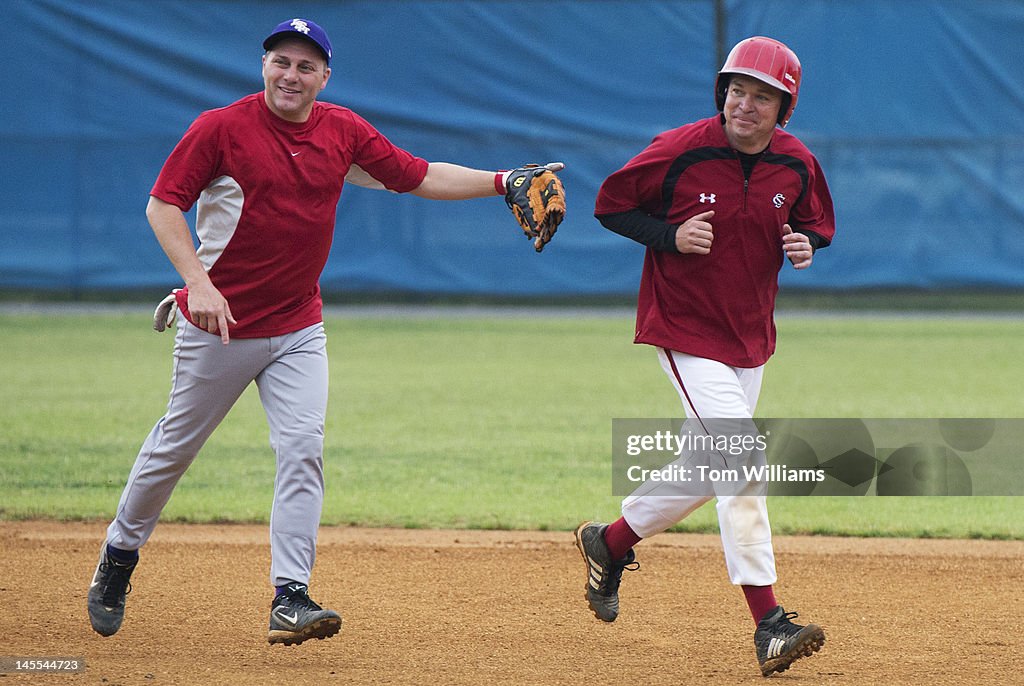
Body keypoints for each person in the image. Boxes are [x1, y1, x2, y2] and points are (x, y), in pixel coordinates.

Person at [87, 17, 562, 646]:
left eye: (306, 66)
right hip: (219, 324)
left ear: (324, 76)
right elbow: (162, 204)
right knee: (174, 448)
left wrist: (503, 181)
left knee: (303, 449)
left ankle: (290, 596)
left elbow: (416, 175)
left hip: (298, 325)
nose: (292, 74)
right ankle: (119, 557)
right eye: (282, 61)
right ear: (264, 66)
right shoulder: (220, 129)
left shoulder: (342, 130)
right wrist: (197, 283)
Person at [573, 36, 834, 677]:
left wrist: (806, 245)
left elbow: (817, 223)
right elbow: (611, 205)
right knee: (741, 458)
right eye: (737, 90)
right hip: (684, 330)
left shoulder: (796, 163)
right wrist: (669, 234)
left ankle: (609, 544)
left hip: (749, 336)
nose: (745, 104)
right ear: (723, 93)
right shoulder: (682, 150)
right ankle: (770, 622)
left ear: (784, 107)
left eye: (762, 95)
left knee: (701, 470)